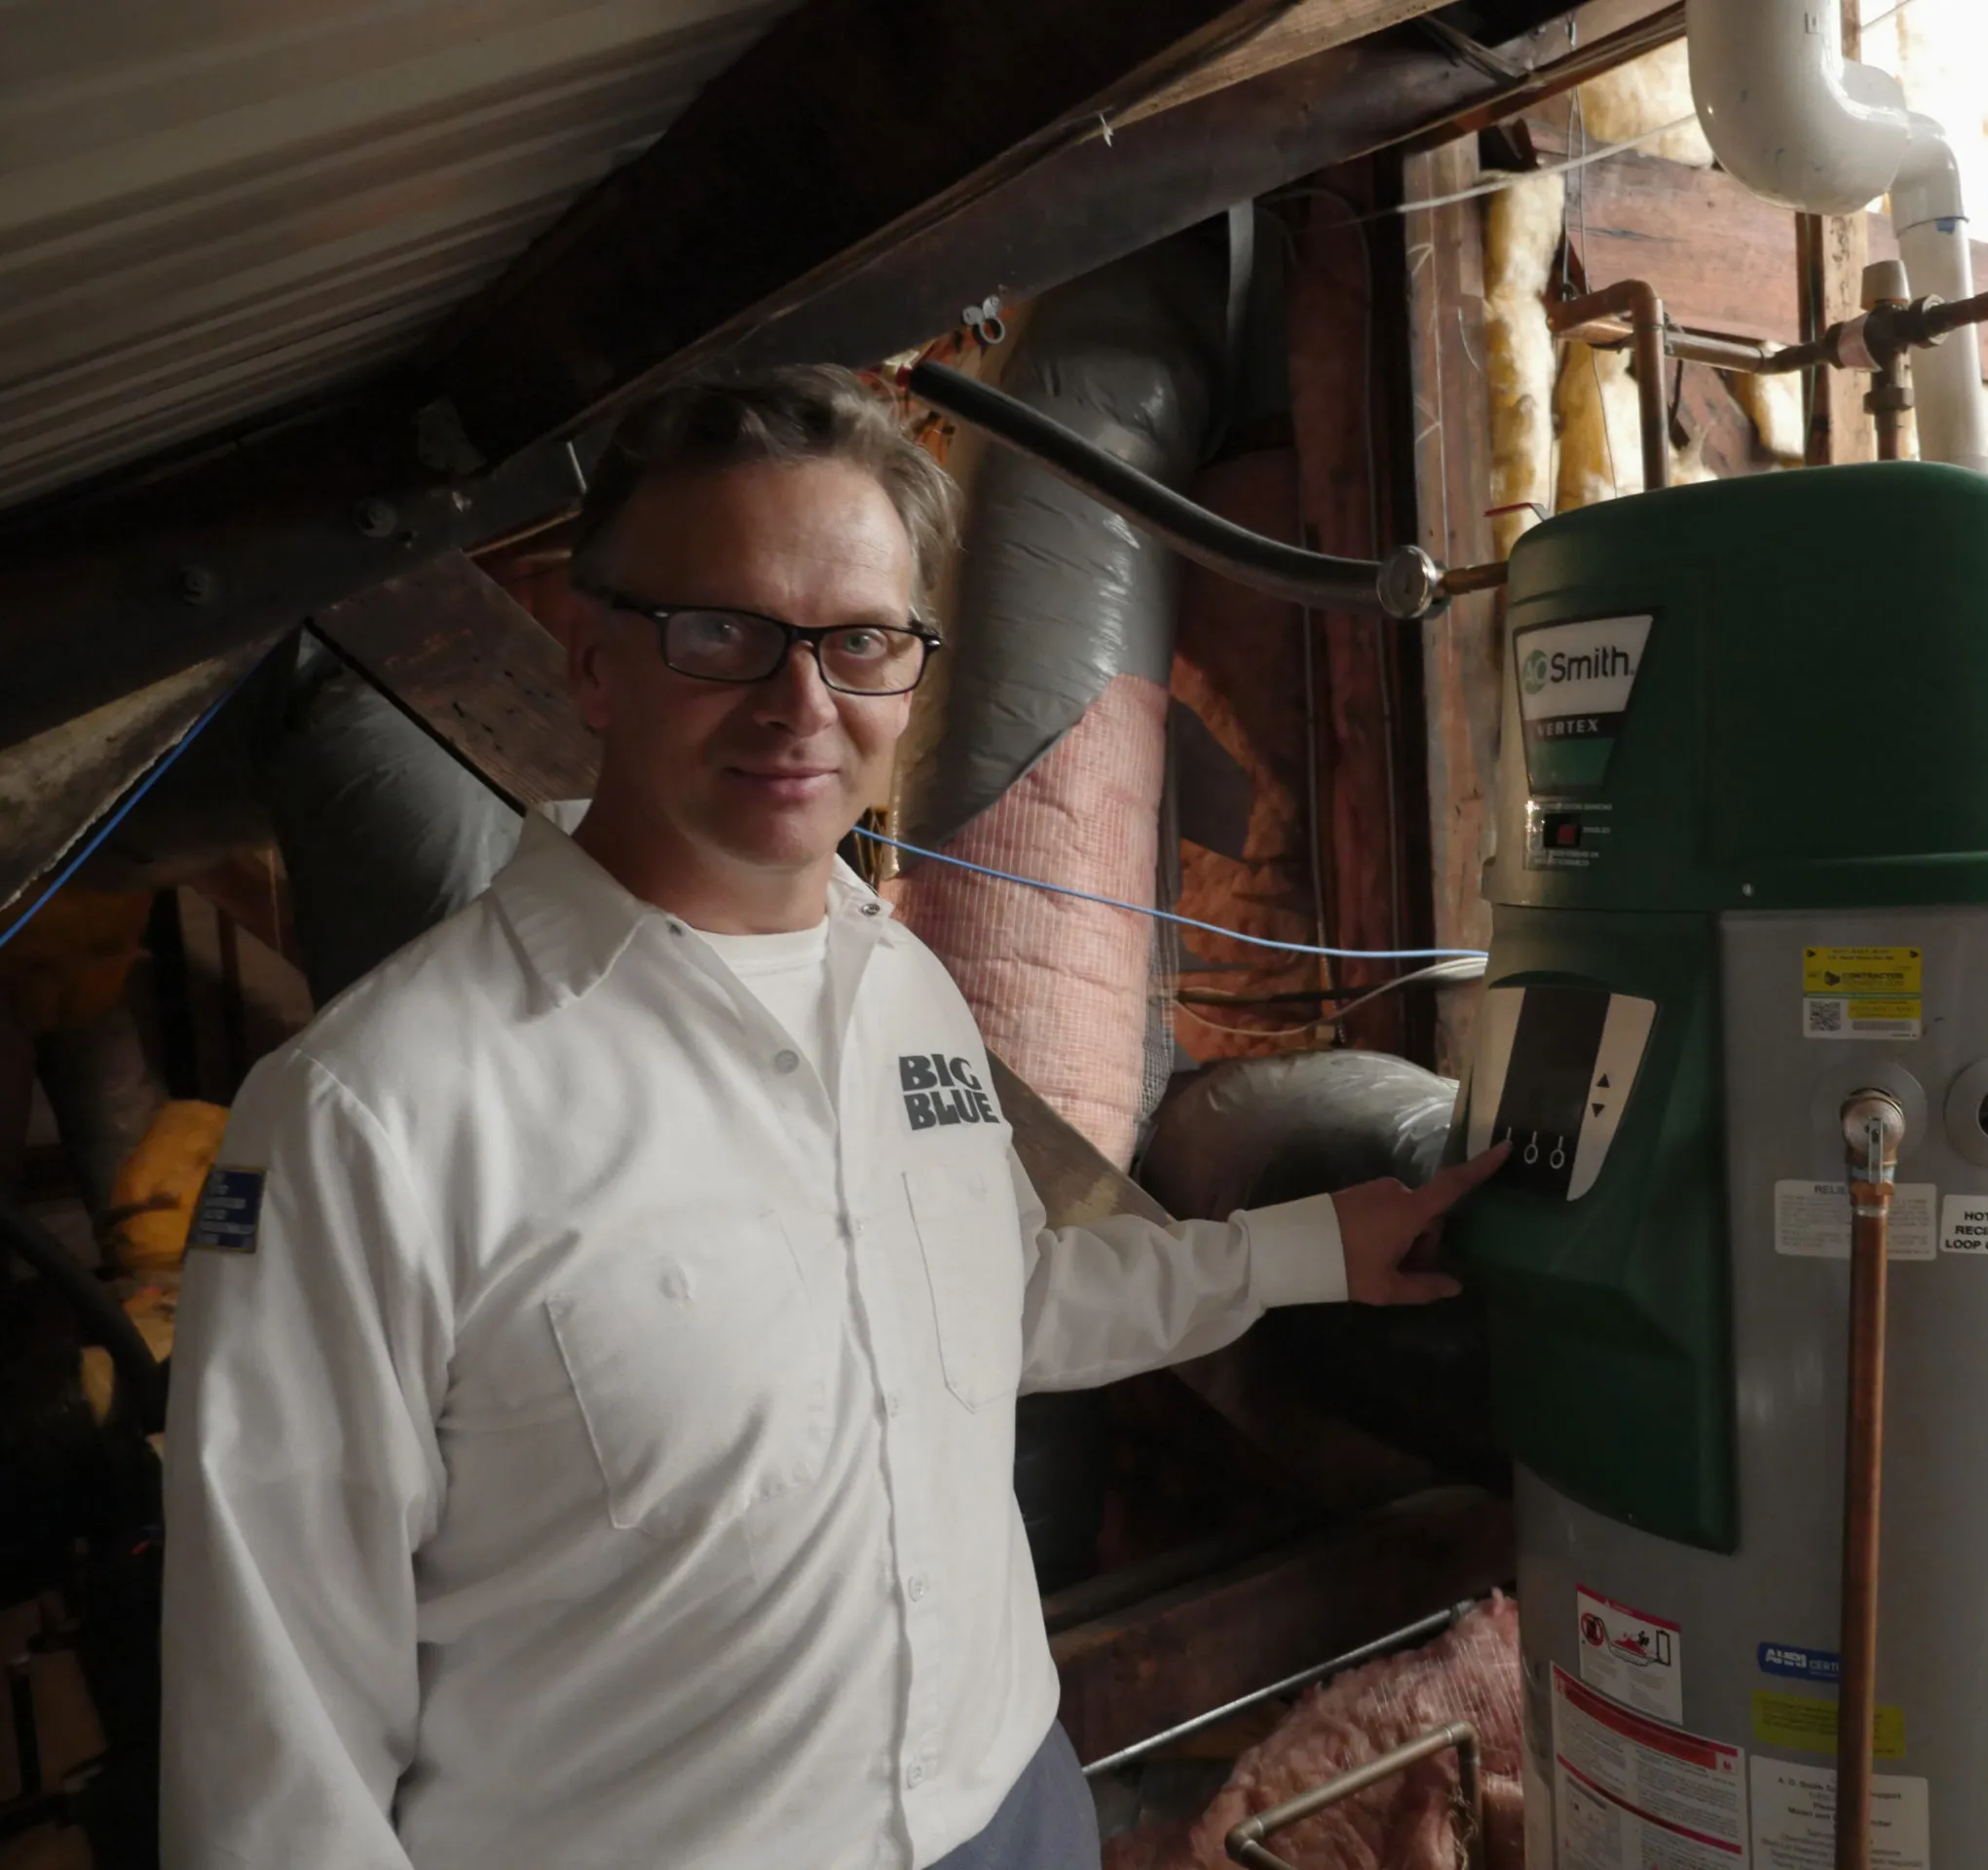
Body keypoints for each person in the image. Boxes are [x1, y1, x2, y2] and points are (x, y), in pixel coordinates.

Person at [159, 363, 1505, 1870]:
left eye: (861, 641)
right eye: (722, 632)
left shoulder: (904, 991)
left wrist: (1321, 1245)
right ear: (591, 660)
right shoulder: (372, 1114)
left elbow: (1005, 1303)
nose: (802, 703)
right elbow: (272, 1748)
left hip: (1014, 1804)